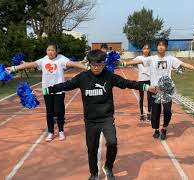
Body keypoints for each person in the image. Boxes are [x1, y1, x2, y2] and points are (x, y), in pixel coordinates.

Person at [41, 49, 158, 180]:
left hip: (106, 118)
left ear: (104, 64)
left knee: (113, 143)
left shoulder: (109, 76)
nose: (96, 68)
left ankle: (108, 167)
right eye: (93, 65)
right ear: (89, 64)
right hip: (90, 120)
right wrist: (46, 90)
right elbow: (65, 85)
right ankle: (94, 173)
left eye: (100, 65)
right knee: (92, 148)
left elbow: (127, 83)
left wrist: (147, 88)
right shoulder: (82, 77)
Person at [119, 38, 194, 140]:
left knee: (167, 111)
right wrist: (124, 63)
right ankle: (156, 130)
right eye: (159, 45)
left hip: (167, 89)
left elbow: (184, 64)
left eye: (163, 45)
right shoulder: (151, 59)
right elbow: (138, 61)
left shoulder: (171, 59)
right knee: (155, 112)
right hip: (155, 89)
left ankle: (164, 128)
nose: (161, 46)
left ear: (166, 47)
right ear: (156, 47)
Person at [6, 42, 89, 142]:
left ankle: (61, 131)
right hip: (46, 90)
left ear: (56, 51)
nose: (50, 52)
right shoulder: (43, 60)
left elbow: (73, 63)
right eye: (48, 50)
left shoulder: (61, 59)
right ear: (46, 51)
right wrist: (14, 68)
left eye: (52, 50)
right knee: (49, 112)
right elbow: (30, 64)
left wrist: (87, 68)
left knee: (59, 111)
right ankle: (50, 132)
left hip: (59, 90)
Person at [134, 43, 152, 121]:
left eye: (148, 49)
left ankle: (149, 113)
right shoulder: (138, 58)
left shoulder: (152, 58)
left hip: (150, 80)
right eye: (144, 48)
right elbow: (130, 62)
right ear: (142, 49)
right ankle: (141, 114)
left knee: (149, 98)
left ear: (149, 50)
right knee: (141, 98)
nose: (146, 50)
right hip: (141, 80)